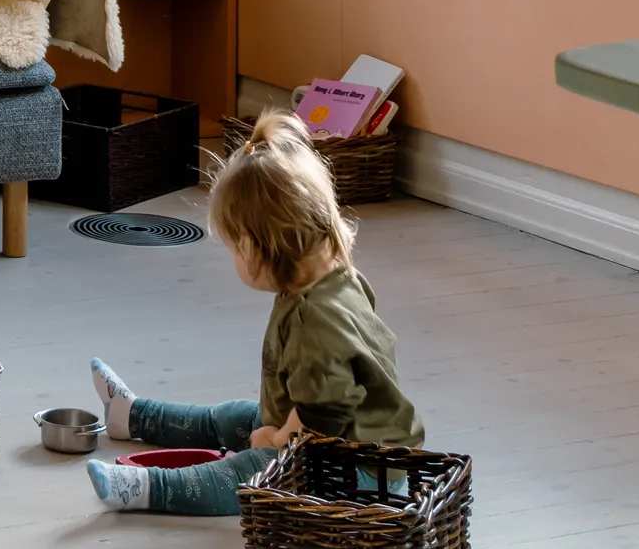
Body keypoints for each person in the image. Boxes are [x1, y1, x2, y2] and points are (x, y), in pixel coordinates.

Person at [84, 111, 421, 516]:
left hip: (359, 473)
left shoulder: (317, 319)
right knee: (238, 417)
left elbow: (325, 415)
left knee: (252, 470)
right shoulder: (333, 280)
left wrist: (278, 440)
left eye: (233, 249)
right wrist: (276, 426)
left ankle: (148, 488)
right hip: (344, 440)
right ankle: (134, 416)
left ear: (260, 247)